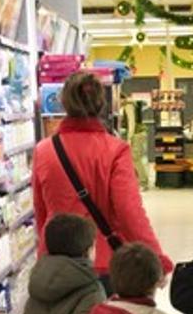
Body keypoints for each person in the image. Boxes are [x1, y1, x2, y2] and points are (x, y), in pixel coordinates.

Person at [32, 71, 173, 295]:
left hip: (54, 262)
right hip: (101, 263)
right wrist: (157, 258)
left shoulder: (43, 150)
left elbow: (41, 212)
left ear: (64, 103)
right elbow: (130, 213)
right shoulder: (116, 150)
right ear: (101, 104)